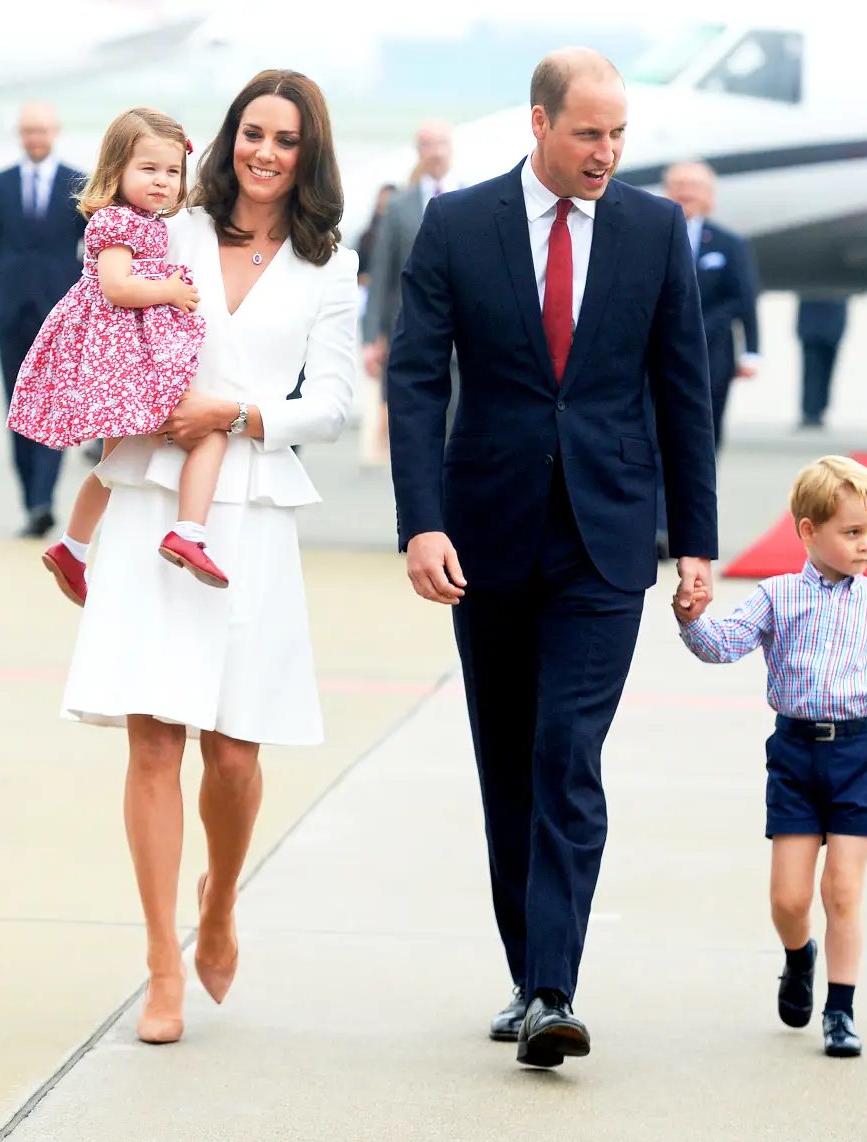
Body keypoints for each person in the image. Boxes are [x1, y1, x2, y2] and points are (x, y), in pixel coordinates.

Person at [386, 48, 717, 1068]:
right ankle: (529, 968)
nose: (607, 153)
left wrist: (697, 540)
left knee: (565, 752)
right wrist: (422, 520)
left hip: (607, 539)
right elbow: (412, 380)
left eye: (619, 135)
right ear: (538, 124)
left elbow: (681, 393)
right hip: (483, 535)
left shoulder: (654, 228)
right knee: (507, 761)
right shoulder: (457, 223)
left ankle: (551, 987)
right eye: (589, 133)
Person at [59, 69, 358, 1045]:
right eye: (252, 133)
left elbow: (337, 403)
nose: (265, 153)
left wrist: (236, 412)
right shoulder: (171, 227)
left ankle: (220, 898)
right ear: (228, 138)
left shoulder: (328, 265)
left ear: (308, 156)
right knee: (154, 740)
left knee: (233, 753)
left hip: (252, 504)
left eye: (286, 140)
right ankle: (159, 966)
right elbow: (101, 301)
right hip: (152, 498)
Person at [674, 455, 867, 1058]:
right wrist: (692, 618)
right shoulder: (777, 596)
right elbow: (723, 647)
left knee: (842, 892)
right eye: (852, 533)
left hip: (860, 755)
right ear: (807, 531)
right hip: (795, 754)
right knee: (790, 900)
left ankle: (840, 1011)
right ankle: (799, 957)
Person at [7, 108, 218, 607]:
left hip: (127, 349)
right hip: (115, 354)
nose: (162, 182)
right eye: (148, 170)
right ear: (116, 169)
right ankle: (181, 531)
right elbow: (117, 287)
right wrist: (168, 289)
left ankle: (74, 548)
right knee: (174, 437)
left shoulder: (144, 220)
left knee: (117, 459)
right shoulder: (116, 220)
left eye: (172, 172)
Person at [0, 102, 87, 538]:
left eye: (41, 130)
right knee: (17, 409)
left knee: (53, 409)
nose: (35, 138)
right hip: (10, 312)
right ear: (19, 134)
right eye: (28, 131)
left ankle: (44, 498)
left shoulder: (76, 183)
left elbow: (91, 247)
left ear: (55, 131)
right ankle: (32, 503)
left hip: (58, 315)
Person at [362, 120, 455, 458]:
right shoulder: (399, 207)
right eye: (428, 144)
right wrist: (371, 338)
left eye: (442, 143)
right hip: (411, 334)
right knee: (416, 435)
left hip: (463, 340)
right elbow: (381, 274)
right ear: (419, 152)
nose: (437, 152)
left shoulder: (471, 197)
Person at [662, 161, 759, 450]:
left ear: (710, 194)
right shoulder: (651, 238)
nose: (686, 193)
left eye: (694, 187)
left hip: (713, 351)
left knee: (707, 426)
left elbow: (745, 298)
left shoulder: (729, 244)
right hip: (661, 349)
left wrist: (752, 352)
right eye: (679, 186)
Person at [796, 296, 848, 429]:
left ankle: (817, 409)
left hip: (829, 323)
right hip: (813, 326)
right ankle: (811, 411)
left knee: (824, 370)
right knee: (812, 370)